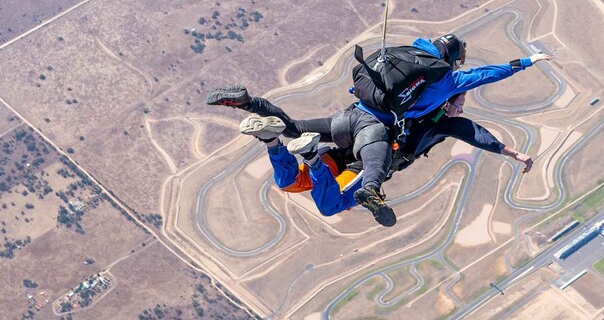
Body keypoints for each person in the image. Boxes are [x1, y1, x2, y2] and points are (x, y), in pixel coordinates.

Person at [207, 34, 549, 224]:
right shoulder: (445, 91)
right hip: (370, 137)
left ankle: (258, 117)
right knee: (359, 181)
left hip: (349, 119)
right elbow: (472, 122)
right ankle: (314, 159)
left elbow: (469, 124)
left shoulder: (411, 55)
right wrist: (527, 63)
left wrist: (513, 153)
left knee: (290, 168)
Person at [239, 93, 533, 222]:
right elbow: (474, 133)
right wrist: (513, 153)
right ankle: (312, 157)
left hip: (346, 142)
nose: (460, 111)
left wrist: (253, 104)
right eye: (459, 105)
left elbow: (473, 131)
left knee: (290, 177)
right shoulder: (442, 121)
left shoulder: (406, 103)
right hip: (363, 165)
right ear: (448, 103)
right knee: (331, 206)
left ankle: (269, 137)